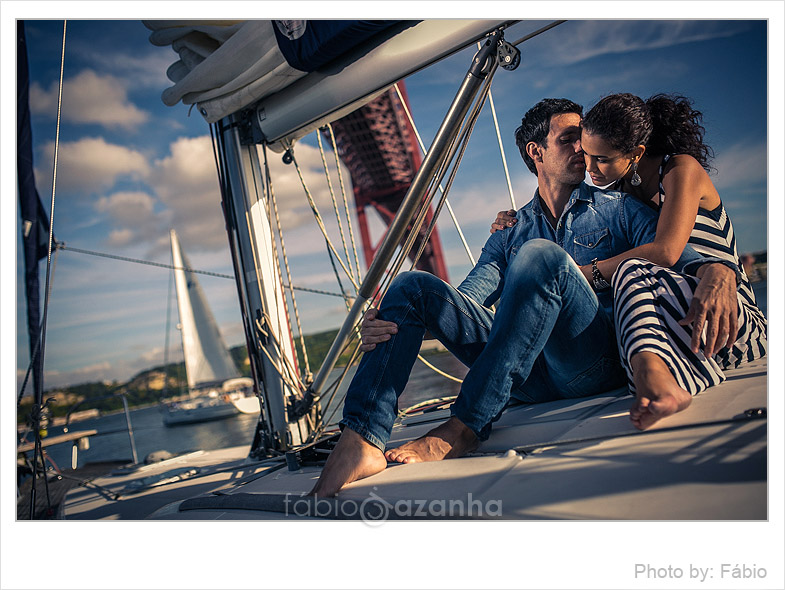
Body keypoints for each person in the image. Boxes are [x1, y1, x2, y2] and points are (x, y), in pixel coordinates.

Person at [309, 98, 737, 497]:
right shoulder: (509, 230)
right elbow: (463, 302)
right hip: (526, 379)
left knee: (541, 257)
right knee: (411, 286)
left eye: (585, 138)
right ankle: (362, 436)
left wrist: (720, 271)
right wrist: (393, 320)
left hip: (590, 362)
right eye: (569, 138)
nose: (583, 149)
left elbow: (686, 258)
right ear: (536, 152)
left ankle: (463, 428)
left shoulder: (618, 207)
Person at [492, 93, 766, 429]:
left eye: (601, 159)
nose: (588, 168)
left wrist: (574, 276)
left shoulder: (681, 170)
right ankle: (656, 382)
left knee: (632, 268)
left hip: (724, 317)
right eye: (587, 155)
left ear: (634, 154)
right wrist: (511, 220)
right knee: (631, 273)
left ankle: (655, 380)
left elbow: (665, 252)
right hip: (677, 326)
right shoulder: (619, 191)